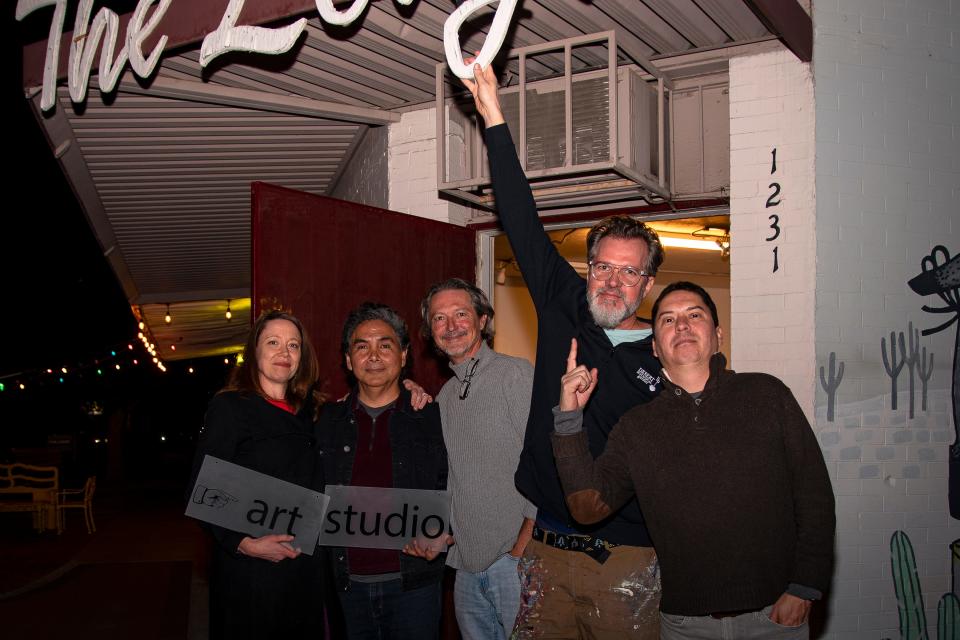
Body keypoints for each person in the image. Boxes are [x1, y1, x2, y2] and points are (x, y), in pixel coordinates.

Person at [461, 62, 663, 637]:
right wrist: (494, 115)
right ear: (588, 267)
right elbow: (521, 217)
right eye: (603, 266)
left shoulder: (666, 355)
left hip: (627, 558)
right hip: (546, 549)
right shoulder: (562, 303)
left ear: (646, 284)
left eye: (629, 273)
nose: (612, 282)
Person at [553, 281, 836, 638]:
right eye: (668, 320)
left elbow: (815, 498)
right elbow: (587, 507)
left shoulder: (767, 396)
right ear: (654, 347)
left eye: (694, 315)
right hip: (686, 625)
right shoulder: (637, 427)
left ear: (718, 334)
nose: (682, 326)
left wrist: (804, 588)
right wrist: (569, 420)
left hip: (773, 618)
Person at [189, 309, 328, 640]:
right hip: (251, 574)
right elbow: (202, 487)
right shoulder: (231, 407)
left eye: (293, 346)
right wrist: (243, 544)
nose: (284, 353)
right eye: (274, 342)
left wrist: (409, 388)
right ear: (255, 351)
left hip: (304, 571)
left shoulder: (314, 410)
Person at [409, 278, 536, 640]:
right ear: (429, 332)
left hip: (513, 562)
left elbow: (544, 462)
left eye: (461, 314)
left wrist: (520, 549)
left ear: (482, 320)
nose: (450, 327)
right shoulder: (446, 395)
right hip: (464, 568)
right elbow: (452, 479)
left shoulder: (514, 374)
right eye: (439, 319)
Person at [317, 302, 448, 640]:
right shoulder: (325, 423)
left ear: (404, 356)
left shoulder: (432, 418)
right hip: (347, 588)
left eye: (385, 345)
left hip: (415, 586)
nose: (373, 356)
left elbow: (454, 482)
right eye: (362, 346)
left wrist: (447, 530)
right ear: (348, 360)